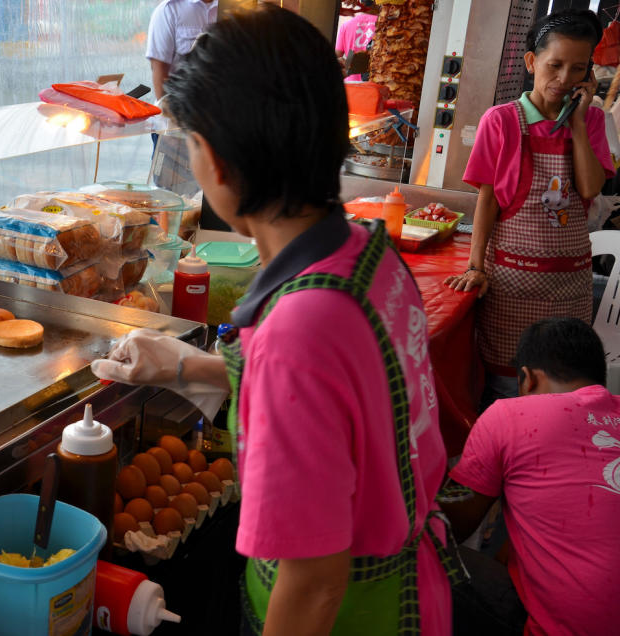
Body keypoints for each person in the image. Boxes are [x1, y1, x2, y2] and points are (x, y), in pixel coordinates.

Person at [92, 7, 457, 634]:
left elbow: (314, 582)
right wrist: (183, 365)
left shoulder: (299, 327)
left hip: (350, 618)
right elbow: (341, 398)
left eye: (193, 145)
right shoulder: (368, 256)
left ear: (220, 166)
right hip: (411, 589)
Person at [444, 9, 615, 400]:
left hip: (569, 283)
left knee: (559, 391)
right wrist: (475, 265)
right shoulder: (501, 121)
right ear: (531, 62)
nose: (564, 79)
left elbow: (589, 188)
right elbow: (486, 200)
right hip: (510, 286)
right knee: (507, 386)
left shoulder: (591, 122)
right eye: (554, 65)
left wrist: (576, 124)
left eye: (577, 69)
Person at [442, 317, 620, 635]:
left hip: (570, 627)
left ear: (527, 379)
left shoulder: (508, 415)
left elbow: (449, 527)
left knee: (420, 553)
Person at [145, 0, 218, 102]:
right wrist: (168, 112)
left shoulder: (235, 7)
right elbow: (159, 68)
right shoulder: (168, 10)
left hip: (221, 107)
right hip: (183, 107)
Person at [335, 2, 379, 81]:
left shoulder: (346, 25)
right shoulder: (382, 24)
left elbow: (337, 55)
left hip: (351, 82)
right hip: (374, 82)